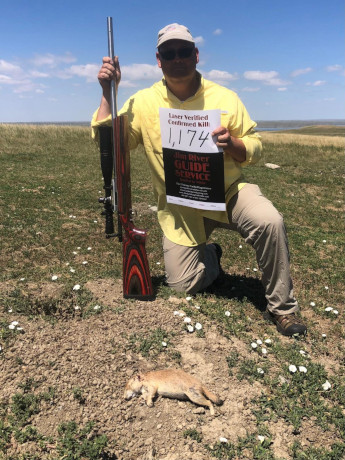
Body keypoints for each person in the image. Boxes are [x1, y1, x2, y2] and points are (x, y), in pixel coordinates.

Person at [92, 23, 307, 337]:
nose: (176, 58)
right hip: (181, 208)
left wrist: (233, 144)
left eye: (183, 51)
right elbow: (111, 141)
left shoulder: (226, 97)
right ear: (158, 59)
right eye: (169, 52)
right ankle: (212, 255)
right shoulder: (143, 102)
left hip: (229, 192)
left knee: (269, 221)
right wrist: (107, 93)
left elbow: (256, 145)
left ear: (195, 55)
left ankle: (283, 309)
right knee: (182, 285)